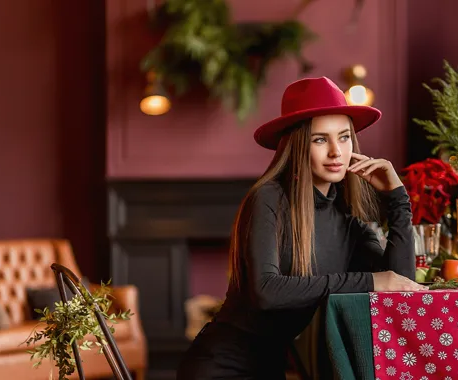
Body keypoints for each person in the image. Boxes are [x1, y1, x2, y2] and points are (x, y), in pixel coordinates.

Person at [176, 76, 425, 380]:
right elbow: (266, 291)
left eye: (344, 137)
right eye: (320, 139)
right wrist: (371, 281)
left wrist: (398, 200)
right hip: (220, 368)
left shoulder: (348, 219)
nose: (336, 151)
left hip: (270, 370)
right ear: (297, 145)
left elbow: (400, 286)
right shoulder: (268, 197)